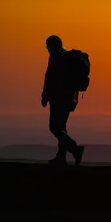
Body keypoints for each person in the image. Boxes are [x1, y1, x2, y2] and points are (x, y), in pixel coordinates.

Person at [41, 35, 85, 166]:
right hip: (70, 98)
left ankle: (75, 149)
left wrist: (45, 95)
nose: (47, 49)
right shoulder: (67, 56)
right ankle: (61, 157)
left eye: (48, 46)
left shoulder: (56, 57)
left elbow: (50, 78)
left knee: (54, 127)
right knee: (61, 127)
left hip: (58, 98)